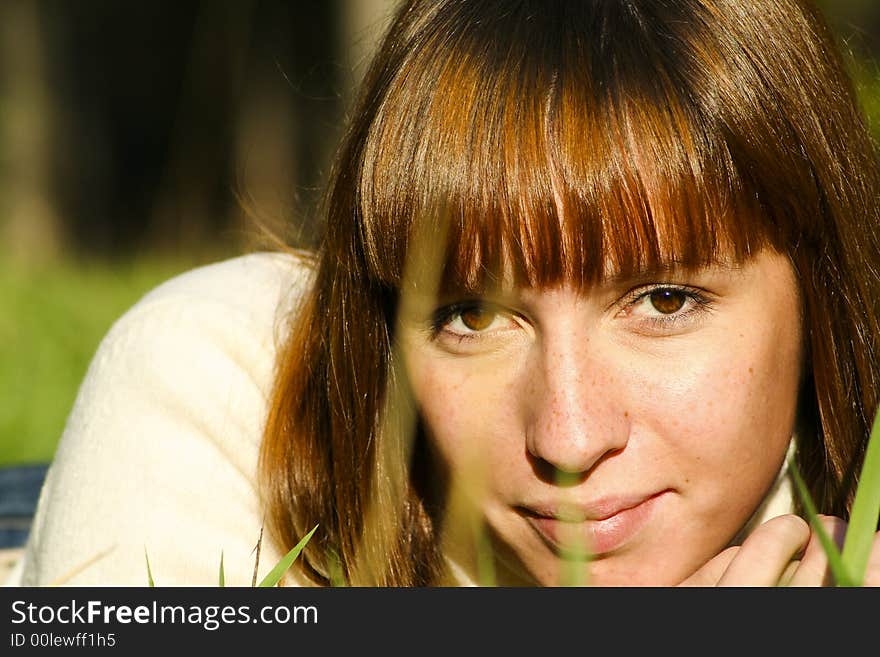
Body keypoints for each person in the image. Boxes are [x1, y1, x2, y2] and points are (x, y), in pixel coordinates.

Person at [11, 0, 880, 587]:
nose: (568, 435)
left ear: (824, 286)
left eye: (662, 301)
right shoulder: (227, 379)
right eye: (472, 315)